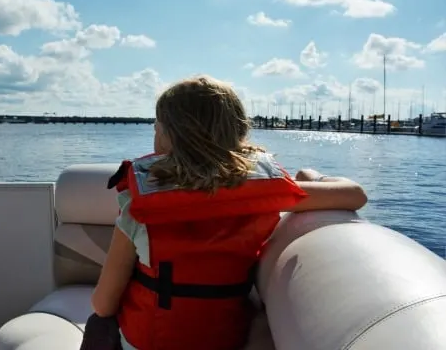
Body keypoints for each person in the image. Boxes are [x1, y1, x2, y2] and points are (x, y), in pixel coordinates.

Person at [82, 76, 367, 350]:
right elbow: (355, 194)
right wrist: (311, 177)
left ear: (167, 137)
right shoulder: (264, 196)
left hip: (148, 342)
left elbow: (103, 303)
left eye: (157, 128)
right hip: (227, 339)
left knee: (98, 322)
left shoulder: (139, 205)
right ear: (238, 133)